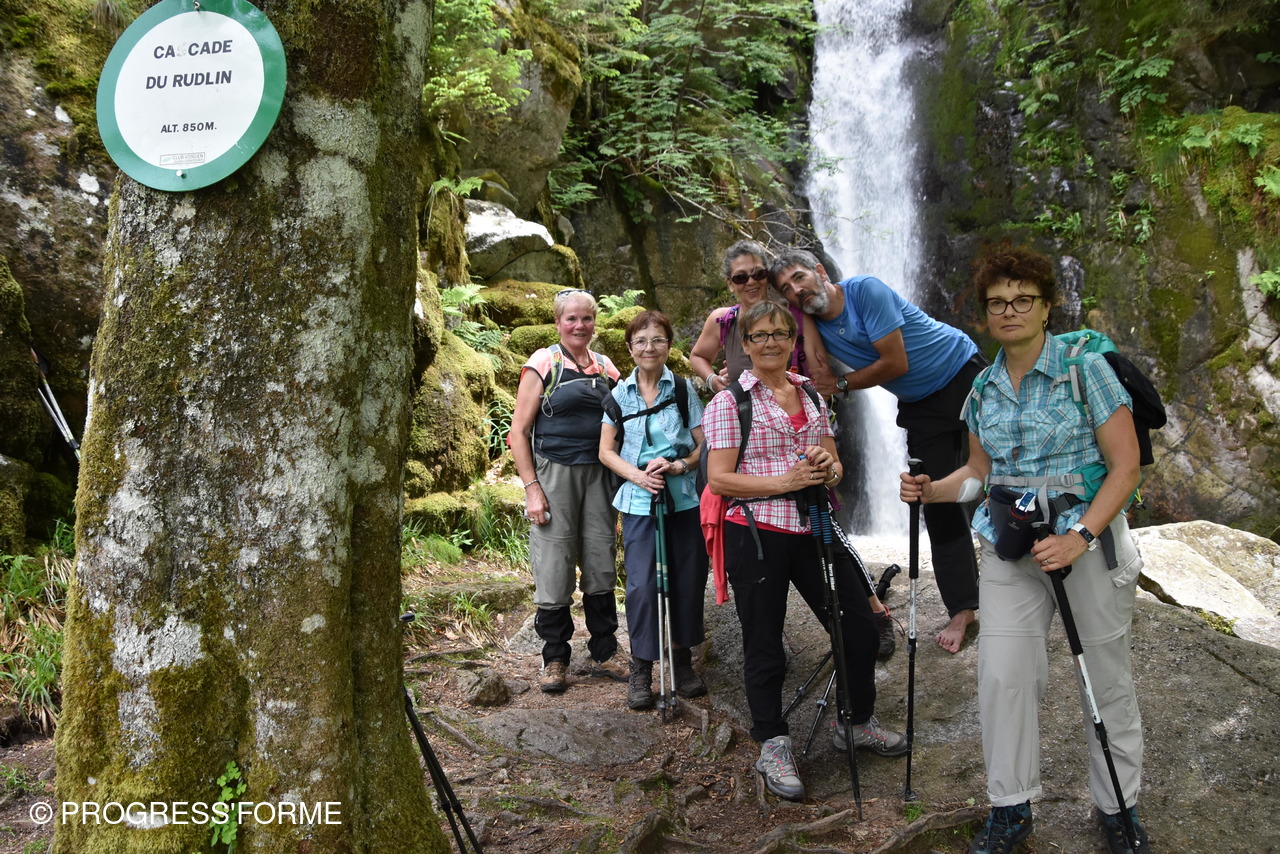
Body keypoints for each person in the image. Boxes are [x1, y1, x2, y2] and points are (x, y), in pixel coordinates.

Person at [899, 245, 1149, 854]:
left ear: (1045, 306)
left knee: (1105, 682)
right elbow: (979, 475)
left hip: (1084, 544)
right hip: (1010, 547)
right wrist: (934, 489)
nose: (1009, 311)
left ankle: (1118, 807)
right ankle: (1010, 807)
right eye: (997, 303)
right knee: (1002, 677)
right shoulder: (982, 387)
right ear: (985, 314)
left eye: (1022, 300)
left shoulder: (1085, 369)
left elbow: (1126, 468)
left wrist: (1080, 538)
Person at [705, 301, 907, 803]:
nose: (770, 342)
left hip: (814, 525)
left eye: (779, 333)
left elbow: (835, 468)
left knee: (859, 627)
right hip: (756, 532)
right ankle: (773, 744)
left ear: (791, 340)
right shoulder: (729, 403)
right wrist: (785, 481)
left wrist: (825, 466)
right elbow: (719, 479)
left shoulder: (811, 395)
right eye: (759, 335)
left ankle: (854, 723)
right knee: (764, 642)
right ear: (745, 344)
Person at [773, 248, 986, 654]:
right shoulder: (814, 319)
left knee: (1007, 469)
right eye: (786, 289)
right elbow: (819, 372)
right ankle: (963, 608)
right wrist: (807, 313)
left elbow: (896, 362)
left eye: (799, 277)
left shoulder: (865, 290)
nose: (796, 289)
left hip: (961, 371)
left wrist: (843, 384)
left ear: (820, 270)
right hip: (920, 403)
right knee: (932, 496)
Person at [694, 241, 898, 659]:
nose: (751, 282)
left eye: (758, 274)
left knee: (827, 525)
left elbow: (818, 360)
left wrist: (819, 394)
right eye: (741, 277)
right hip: (746, 429)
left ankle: (872, 612)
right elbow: (698, 356)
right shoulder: (725, 321)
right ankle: (771, 639)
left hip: (799, 417)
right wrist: (714, 381)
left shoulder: (795, 317)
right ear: (730, 284)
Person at [509, 288, 627, 694]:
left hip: (599, 474)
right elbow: (518, 432)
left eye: (587, 318)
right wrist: (532, 489)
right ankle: (555, 657)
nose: (579, 325)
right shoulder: (544, 363)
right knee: (554, 565)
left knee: (600, 562)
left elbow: (628, 418)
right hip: (554, 473)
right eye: (571, 319)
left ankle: (605, 650)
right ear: (558, 323)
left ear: (595, 322)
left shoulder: (606, 367)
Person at [599, 311, 709, 710]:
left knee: (687, 578)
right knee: (643, 585)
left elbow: (704, 445)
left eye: (658, 339)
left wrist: (678, 465)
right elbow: (605, 451)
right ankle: (642, 668)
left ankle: (681, 661)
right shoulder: (618, 396)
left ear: (669, 345)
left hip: (684, 498)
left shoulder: (681, 389)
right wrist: (638, 476)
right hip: (639, 502)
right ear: (630, 348)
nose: (650, 347)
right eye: (641, 341)